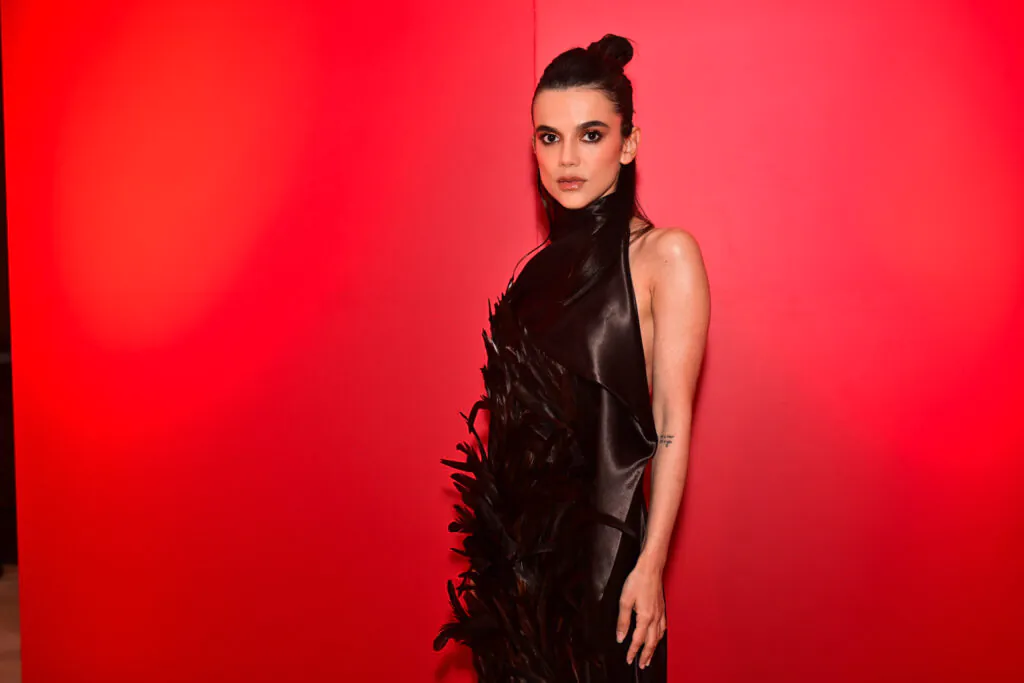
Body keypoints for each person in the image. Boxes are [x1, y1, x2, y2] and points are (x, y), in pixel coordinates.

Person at [434, 33, 710, 683]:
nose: (567, 159)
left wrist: (650, 566)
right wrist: (502, 578)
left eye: (590, 135)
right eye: (549, 137)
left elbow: (672, 425)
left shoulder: (665, 256)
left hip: (609, 570)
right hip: (522, 581)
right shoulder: (527, 278)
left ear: (629, 143)